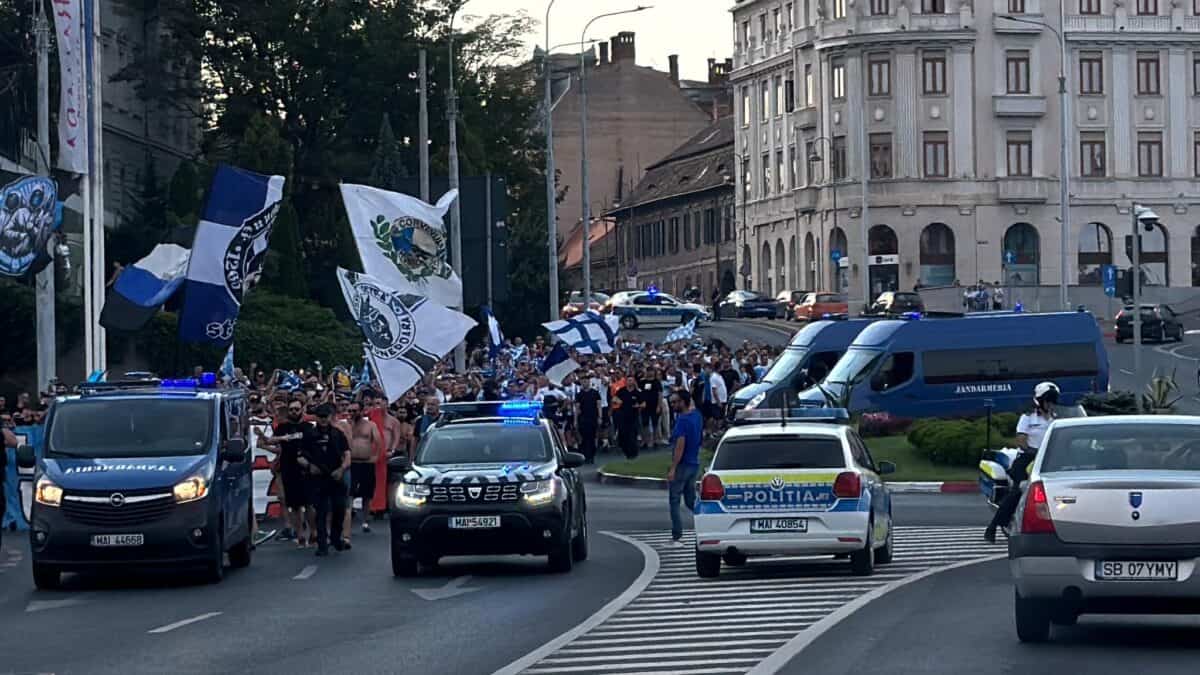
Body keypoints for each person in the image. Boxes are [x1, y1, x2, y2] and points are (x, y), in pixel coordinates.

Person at [985, 382, 1060, 544]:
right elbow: (1021, 440)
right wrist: (1033, 451)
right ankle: (992, 528)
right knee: (1019, 490)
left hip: (1047, 459)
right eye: (1048, 400)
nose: (1050, 404)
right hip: (1027, 459)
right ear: (1040, 400)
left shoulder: (1055, 419)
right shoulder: (1027, 417)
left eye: (1052, 401)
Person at [259, 401, 316, 548]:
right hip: (288, 469)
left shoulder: (308, 427)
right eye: (291, 409)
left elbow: (311, 442)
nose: (294, 412)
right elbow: (272, 442)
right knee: (294, 505)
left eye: (297, 409)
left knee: (310, 504)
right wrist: (265, 438)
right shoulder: (282, 428)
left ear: (302, 410)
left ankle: (314, 533)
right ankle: (300, 535)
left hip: (306, 470)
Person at [300, 404, 352, 556]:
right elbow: (300, 456)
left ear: (330, 417)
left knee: (339, 509)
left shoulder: (337, 434)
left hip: (335, 477)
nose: (323, 419)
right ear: (316, 417)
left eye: (326, 416)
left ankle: (336, 538)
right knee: (321, 512)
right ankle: (322, 544)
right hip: (318, 478)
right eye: (320, 416)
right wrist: (310, 466)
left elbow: (347, 454)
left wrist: (342, 469)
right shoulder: (309, 435)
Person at [666, 390, 704, 546]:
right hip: (694, 463)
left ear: (683, 402)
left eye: (675, 402)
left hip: (683, 465)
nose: (673, 405)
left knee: (674, 500)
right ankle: (705, 521)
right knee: (690, 500)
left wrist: (673, 468)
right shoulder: (697, 416)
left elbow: (680, 446)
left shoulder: (682, 421)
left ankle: (676, 534)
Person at [346, 401, 383, 536]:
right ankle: (347, 521)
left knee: (366, 494)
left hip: (367, 463)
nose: (352, 413)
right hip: (352, 463)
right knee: (349, 493)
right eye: (350, 411)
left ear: (361, 411)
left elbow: (378, 441)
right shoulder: (346, 425)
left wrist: (375, 456)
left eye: (354, 411)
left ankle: (365, 521)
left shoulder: (370, 425)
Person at [575, 375, 602, 463]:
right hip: (583, 418)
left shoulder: (595, 393)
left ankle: (591, 456)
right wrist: (575, 420)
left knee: (592, 437)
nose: (584, 383)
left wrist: (600, 417)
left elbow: (599, 406)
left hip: (593, 418)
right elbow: (577, 408)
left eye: (586, 381)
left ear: (589, 382)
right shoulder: (579, 394)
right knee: (584, 438)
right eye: (583, 381)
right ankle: (585, 456)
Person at [615, 375, 642, 460]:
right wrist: (619, 401)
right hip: (623, 416)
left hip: (633, 416)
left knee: (632, 435)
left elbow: (643, 403)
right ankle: (626, 452)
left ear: (634, 382)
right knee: (624, 435)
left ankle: (633, 454)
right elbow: (614, 399)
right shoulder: (621, 391)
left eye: (631, 380)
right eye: (628, 380)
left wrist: (638, 405)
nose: (630, 382)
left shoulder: (637, 392)